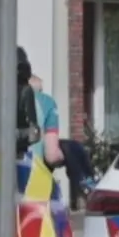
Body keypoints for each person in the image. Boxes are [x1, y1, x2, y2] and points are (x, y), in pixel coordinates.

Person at [19, 48, 94, 207]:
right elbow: (51, 155)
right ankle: (86, 183)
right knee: (71, 147)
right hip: (33, 178)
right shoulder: (46, 102)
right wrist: (65, 156)